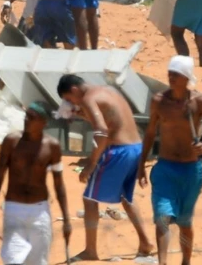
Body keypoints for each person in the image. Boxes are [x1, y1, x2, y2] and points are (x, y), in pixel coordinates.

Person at [57, 74, 153, 261]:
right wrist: (82, 115)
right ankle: (145, 241)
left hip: (118, 151)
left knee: (89, 199)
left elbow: (101, 131)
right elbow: (112, 121)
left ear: (74, 90)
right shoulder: (107, 91)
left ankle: (90, 250)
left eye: (69, 99)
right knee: (126, 196)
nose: (72, 103)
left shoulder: (87, 98)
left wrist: (91, 163)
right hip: (135, 147)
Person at [141, 56, 202, 265]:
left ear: (186, 77)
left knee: (184, 222)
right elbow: (149, 133)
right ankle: (163, 262)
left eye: (176, 74)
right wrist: (141, 165)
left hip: (191, 170)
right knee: (162, 218)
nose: (171, 77)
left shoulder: (200, 101)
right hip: (165, 167)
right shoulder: (159, 101)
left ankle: (186, 261)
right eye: (170, 73)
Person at [0, 103, 72, 265]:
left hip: (40, 211)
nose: (26, 120)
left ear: (44, 123)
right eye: (26, 116)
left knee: (38, 261)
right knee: (13, 259)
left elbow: (59, 183)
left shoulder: (52, 146)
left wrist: (66, 219)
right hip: (13, 210)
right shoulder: (11, 142)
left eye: (31, 118)